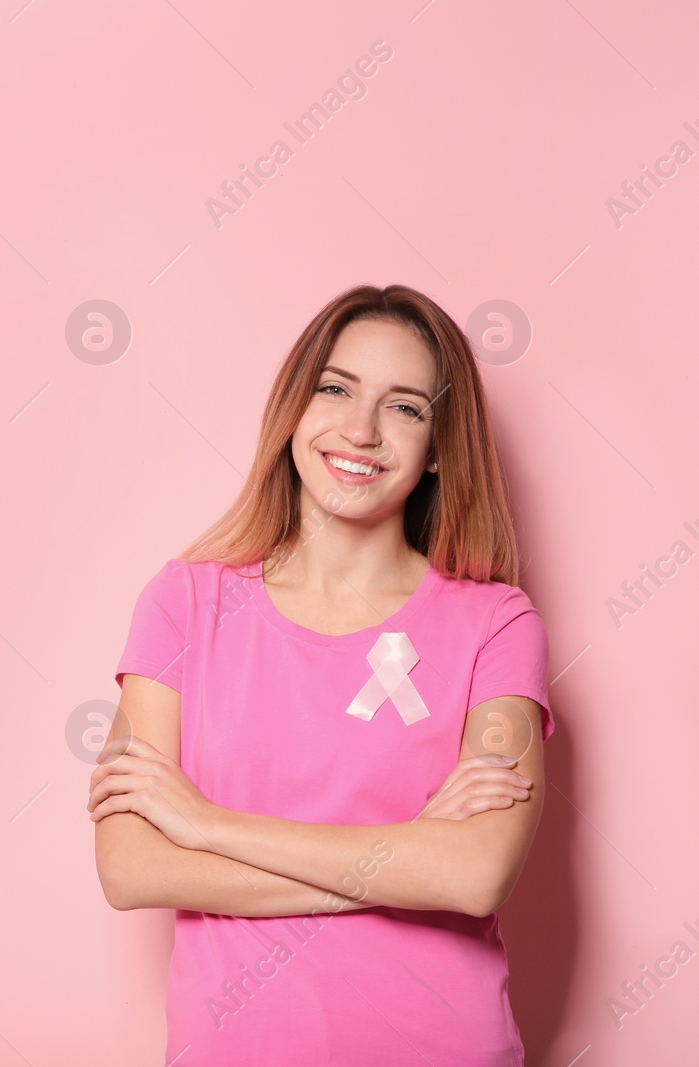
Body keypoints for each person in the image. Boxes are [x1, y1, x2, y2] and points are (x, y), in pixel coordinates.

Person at [89, 284, 553, 1065]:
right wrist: (406, 856)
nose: (361, 428)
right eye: (335, 388)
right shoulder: (183, 603)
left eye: (404, 406)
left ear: (440, 442)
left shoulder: (498, 626)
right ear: (295, 410)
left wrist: (209, 827)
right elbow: (131, 865)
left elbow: (474, 874)